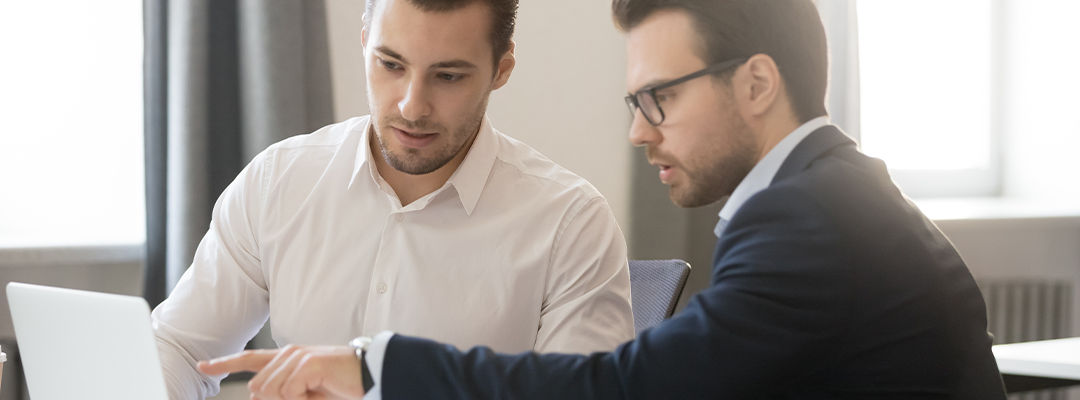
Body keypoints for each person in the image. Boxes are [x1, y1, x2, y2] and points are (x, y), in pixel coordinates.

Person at [200, 0, 1009, 398]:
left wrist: (377, 362)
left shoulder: (810, 222)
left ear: (758, 83)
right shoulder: (828, 198)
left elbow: (621, 390)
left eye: (658, 98)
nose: (640, 133)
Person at [155, 0, 636, 398]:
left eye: (447, 76)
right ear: (365, 41)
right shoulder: (278, 181)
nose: (411, 106)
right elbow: (179, 346)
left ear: (500, 70)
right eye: (391, 64)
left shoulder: (571, 224)